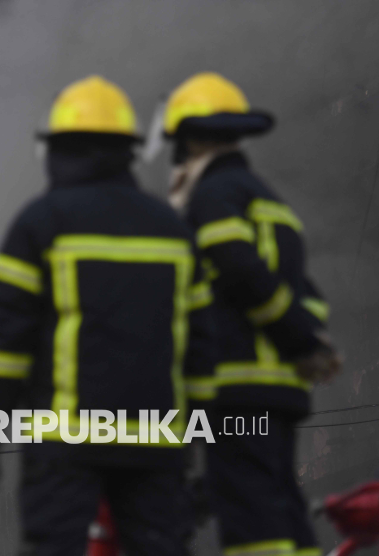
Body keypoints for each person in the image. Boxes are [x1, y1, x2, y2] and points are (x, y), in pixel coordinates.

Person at [0, 75, 216, 556]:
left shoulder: (40, 223)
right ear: (128, 150)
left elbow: (5, 344)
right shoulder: (171, 229)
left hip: (66, 443)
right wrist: (208, 431)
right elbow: (203, 346)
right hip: (156, 442)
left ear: (57, 149)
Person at [162, 72, 343, 556]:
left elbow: (239, 269)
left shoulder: (214, 195)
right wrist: (309, 342)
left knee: (251, 521)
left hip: (235, 389)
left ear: (192, 141)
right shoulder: (267, 199)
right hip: (281, 388)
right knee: (283, 509)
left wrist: (300, 341)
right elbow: (304, 292)